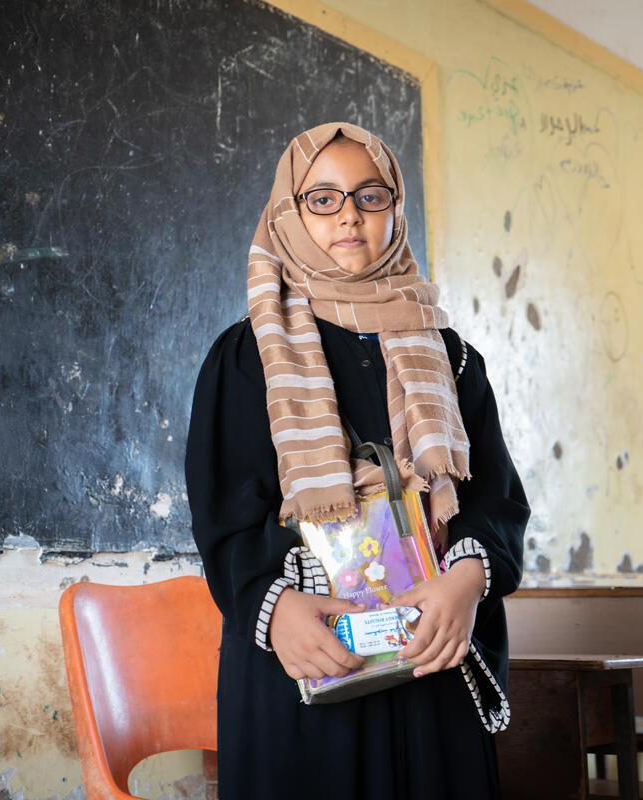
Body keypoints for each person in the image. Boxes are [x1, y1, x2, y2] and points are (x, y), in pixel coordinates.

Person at [185, 122, 529, 799]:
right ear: (287, 214)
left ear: (395, 211)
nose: (349, 214)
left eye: (371, 196)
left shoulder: (453, 360)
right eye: (323, 199)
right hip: (307, 671)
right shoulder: (249, 357)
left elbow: (496, 504)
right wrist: (275, 608)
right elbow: (225, 518)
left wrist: (464, 584)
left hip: (430, 659)